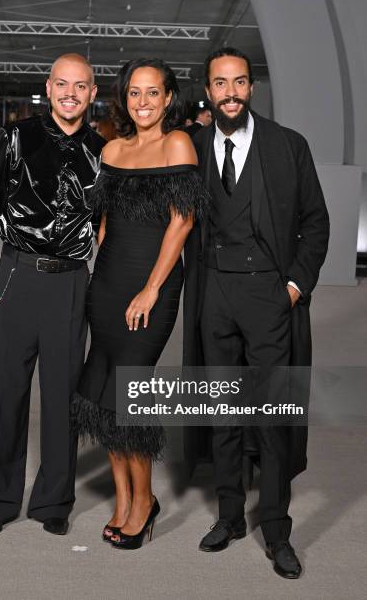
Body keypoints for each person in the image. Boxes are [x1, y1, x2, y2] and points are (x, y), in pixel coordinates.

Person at [183, 47, 329, 578]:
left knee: (272, 416)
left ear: (252, 88)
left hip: (269, 293)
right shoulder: (192, 146)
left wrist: (293, 287)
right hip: (214, 292)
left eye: (239, 82)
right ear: (208, 90)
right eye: (220, 83)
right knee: (221, 410)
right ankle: (229, 516)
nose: (230, 92)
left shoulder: (288, 146)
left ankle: (276, 529)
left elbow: (316, 222)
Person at [0, 53, 106, 537]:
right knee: (8, 392)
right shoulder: (15, 137)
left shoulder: (103, 151)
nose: (71, 93)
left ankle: (53, 503)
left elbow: (105, 225)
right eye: (62, 84)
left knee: (62, 396)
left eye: (80, 85)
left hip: (70, 282)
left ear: (92, 92)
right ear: (48, 88)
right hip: (16, 275)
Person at [72, 58, 208, 550]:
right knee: (103, 392)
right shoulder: (112, 147)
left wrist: (151, 288)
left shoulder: (177, 143)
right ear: (124, 97)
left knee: (130, 398)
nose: (143, 102)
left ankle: (145, 501)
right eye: (134, 93)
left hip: (150, 286)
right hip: (107, 283)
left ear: (169, 97)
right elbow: (105, 222)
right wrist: (95, 275)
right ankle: (123, 500)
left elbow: (182, 223)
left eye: (153, 93)